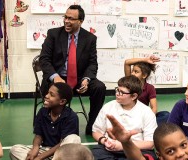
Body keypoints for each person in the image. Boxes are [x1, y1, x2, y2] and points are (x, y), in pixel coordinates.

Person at [39, 4, 106, 135]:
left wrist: (86, 80)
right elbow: (44, 60)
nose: (66, 21)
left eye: (71, 19)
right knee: (52, 88)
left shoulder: (90, 38)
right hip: (57, 77)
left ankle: (92, 126)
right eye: (65, 17)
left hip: (79, 78)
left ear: (80, 21)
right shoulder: (53, 34)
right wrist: (55, 77)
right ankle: (52, 127)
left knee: (100, 87)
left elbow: (92, 64)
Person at [91, 75, 157, 159]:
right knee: (93, 154)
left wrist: (122, 145)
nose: (117, 94)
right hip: (109, 149)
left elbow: (150, 143)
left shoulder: (146, 112)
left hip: (137, 149)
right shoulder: (108, 106)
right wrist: (104, 141)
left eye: (122, 92)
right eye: (117, 90)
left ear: (134, 96)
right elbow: (96, 131)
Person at [10, 83, 81, 160]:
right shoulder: (42, 112)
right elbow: (38, 135)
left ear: (62, 101)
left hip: (61, 154)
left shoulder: (71, 117)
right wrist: (35, 148)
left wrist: (40, 157)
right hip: (45, 150)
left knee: (74, 138)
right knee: (15, 149)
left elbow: (63, 145)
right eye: (48, 93)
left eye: (51, 95)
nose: (46, 96)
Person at [124, 56, 170, 125]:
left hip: (143, 117)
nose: (132, 73)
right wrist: (145, 59)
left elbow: (154, 108)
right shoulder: (129, 83)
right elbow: (127, 63)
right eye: (132, 71)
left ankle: (144, 126)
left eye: (136, 72)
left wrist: (148, 120)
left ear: (144, 75)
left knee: (166, 115)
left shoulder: (150, 88)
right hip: (129, 116)